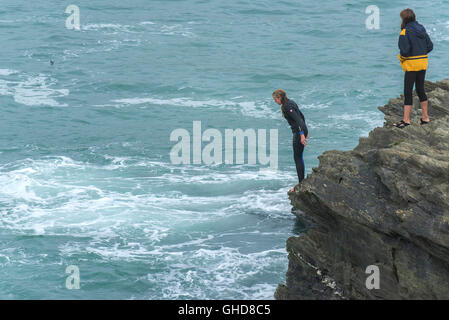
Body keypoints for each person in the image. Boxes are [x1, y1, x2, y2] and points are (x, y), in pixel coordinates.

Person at [394, 8, 433, 128]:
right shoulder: (422, 29)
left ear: (403, 19)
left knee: (408, 91)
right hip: (422, 63)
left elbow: (405, 51)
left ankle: (406, 120)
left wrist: (402, 56)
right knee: (421, 89)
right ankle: (425, 118)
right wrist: (420, 52)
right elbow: (430, 46)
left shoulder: (405, 32)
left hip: (412, 65)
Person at [272, 89, 309, 193]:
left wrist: (302, 135)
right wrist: (306, 131)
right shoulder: (290, 102)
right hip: (301, 130)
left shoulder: (288, 107)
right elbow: (302, 117)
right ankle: (301, 182)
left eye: (275, 99)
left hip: (298, 132)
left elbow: (298, 121)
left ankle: (301, 183)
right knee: (299, 157)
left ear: (280, 98)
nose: (275, 102)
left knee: (297, 157)